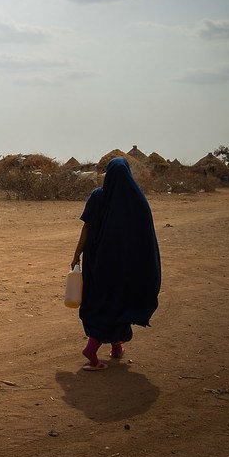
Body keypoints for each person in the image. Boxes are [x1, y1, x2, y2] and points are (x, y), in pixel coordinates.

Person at [70, 157, 161, 371]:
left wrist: (76, 255)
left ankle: (116, 347)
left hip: (96, 262)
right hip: (124, 264)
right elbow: (145, 236)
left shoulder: (97, 196)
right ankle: (92, 350)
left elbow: (86, 229)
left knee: (100, 301)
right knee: (121, 301)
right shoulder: (136, 201)